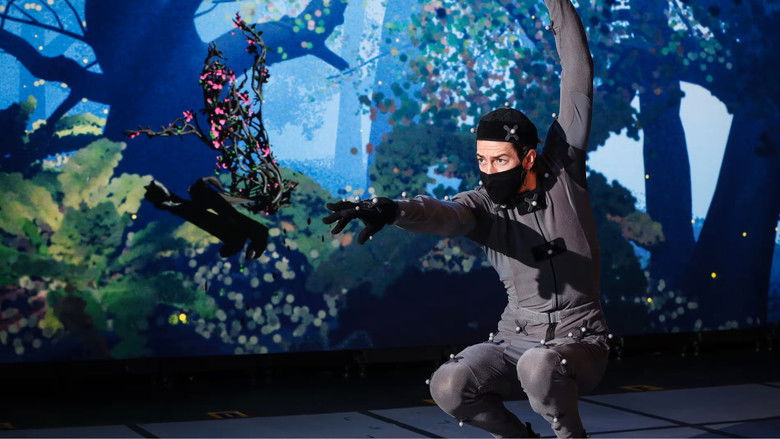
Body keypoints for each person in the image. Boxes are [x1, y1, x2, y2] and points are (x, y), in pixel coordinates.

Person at [322, 0, 611, 437]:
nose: (490, 172)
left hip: (579, 340)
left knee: (539, 366)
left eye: (501, 161)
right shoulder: (482, 205)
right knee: (449, 383)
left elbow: (577, 73)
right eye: (482, 161)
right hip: (515, 339)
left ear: (528, 158)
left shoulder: (563, 172)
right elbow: (443, 214)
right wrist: (393, 209)